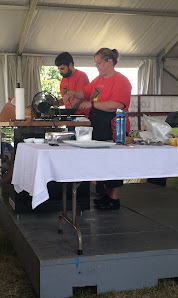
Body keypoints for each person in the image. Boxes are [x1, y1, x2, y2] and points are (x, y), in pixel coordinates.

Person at [63, 48, 132, 211]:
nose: (97, 66)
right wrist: (72, 93)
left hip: (114, 125)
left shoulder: (121, 80)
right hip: (98, 124)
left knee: (114, 163)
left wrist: (92, 104)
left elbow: (117, 104)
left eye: (99, 62)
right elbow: (85, 92)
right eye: (95, 63)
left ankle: (114, 199)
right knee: (103, 162)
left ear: (110, 62)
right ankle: (106, 196)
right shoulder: (98, 79)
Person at [54, 52, 90, 118]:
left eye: (62, 68)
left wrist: (67, 112)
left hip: (82, 117)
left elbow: (79, 99)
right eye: (59, 69)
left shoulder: (81, 76)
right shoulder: (63, 79)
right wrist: (52, 103)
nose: (60, 72)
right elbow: (65, 100)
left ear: (70, 65)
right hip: (70, 117)